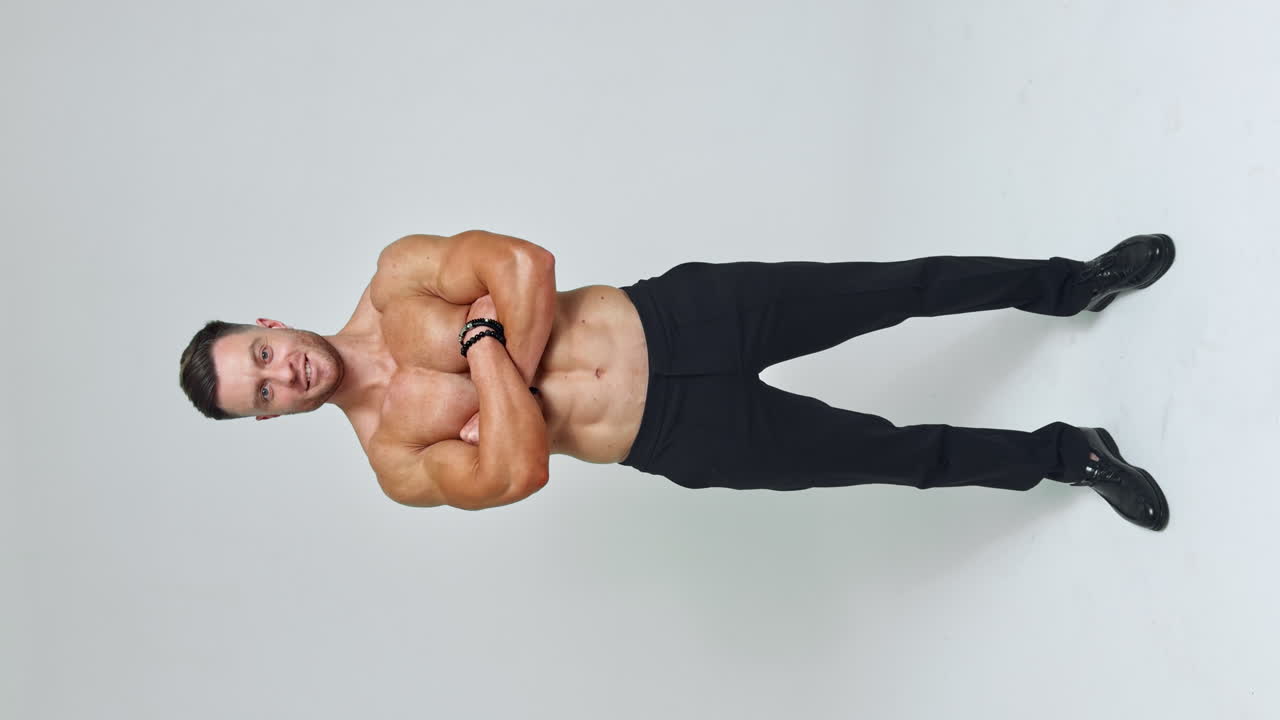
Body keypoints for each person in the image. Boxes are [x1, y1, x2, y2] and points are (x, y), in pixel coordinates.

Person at [178, 230, 1175, 530]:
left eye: (260, 356)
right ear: (271, 416)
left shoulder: (398, 278)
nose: (282, 374)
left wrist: (495, 391)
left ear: (267, 325)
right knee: (892, 456)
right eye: (261, 393)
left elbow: (524, 265)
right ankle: (1069, 457)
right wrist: (485, 338)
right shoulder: (396, 460)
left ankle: (1071, 284)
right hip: (676, 434)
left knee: (895, 288)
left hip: (680, 313)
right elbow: (522, 473)